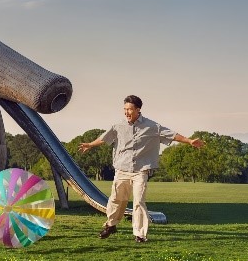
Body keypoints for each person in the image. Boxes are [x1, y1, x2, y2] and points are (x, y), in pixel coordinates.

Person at [78, 95, 204, 243]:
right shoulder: (118, 126)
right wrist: (90, 145)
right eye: (125, 109)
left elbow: (172, 135)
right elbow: (104, 138)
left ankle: (140, 234)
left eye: (130, 109)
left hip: (141, 171)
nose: (126, 112)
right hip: (122, 169)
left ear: (138, 110)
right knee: (116, 200)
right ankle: (111, 225)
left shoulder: (151, 126)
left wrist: (189, 141)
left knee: (139, 201)